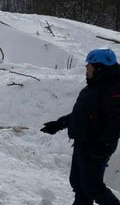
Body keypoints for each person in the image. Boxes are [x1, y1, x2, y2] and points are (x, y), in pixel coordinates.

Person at [41, 48, 120, 205]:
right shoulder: (94, 86)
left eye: (88, 65)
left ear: (99, 68)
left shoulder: (112, 91)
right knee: (79, 185)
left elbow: (116, 122)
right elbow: (83, 115)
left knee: (93, 188)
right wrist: (59, 124)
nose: (86, 68)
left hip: (96, 147)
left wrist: (103, 145)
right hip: (83, 143)